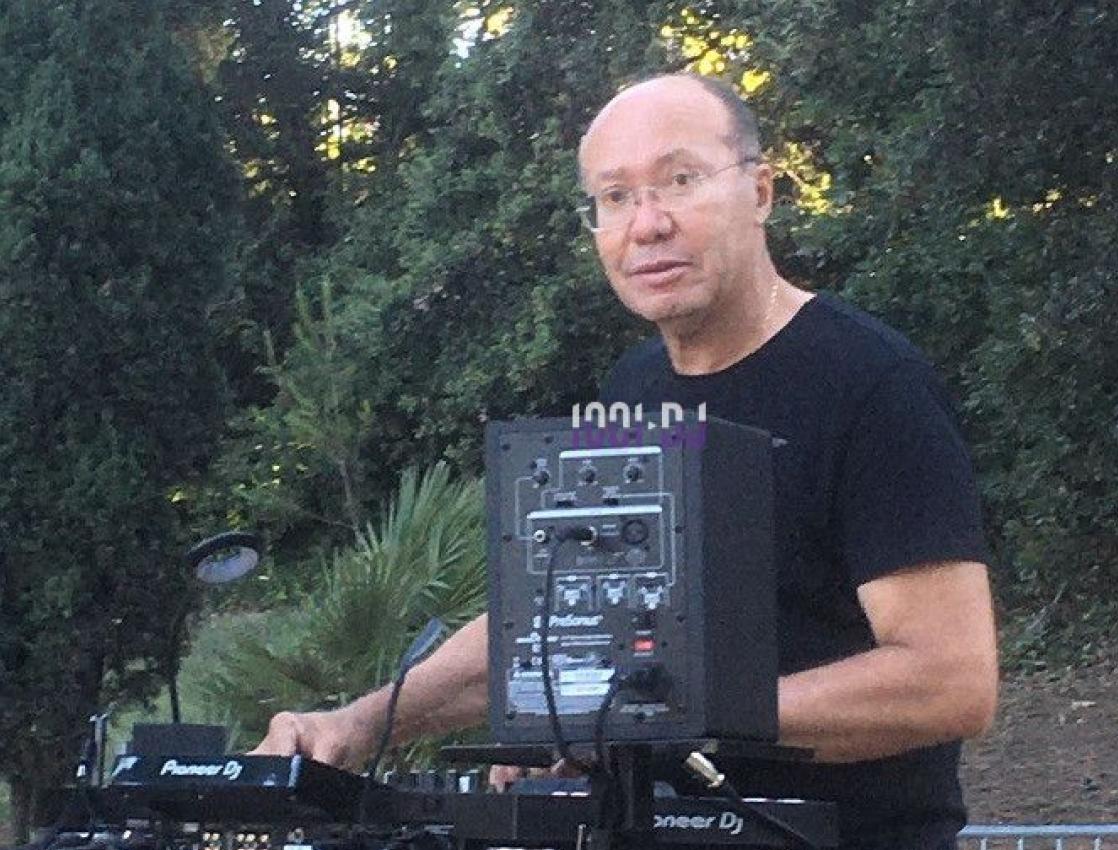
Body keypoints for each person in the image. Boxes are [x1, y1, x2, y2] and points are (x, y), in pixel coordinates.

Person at [253, 73, 999, 850]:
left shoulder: (872, 385)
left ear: (762, 191)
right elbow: (544, 623)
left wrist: (661, 724)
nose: (648, 224)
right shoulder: (633, 392)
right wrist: (352, 723)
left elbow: (948, 681)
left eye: (681, 180)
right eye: (614, 197)